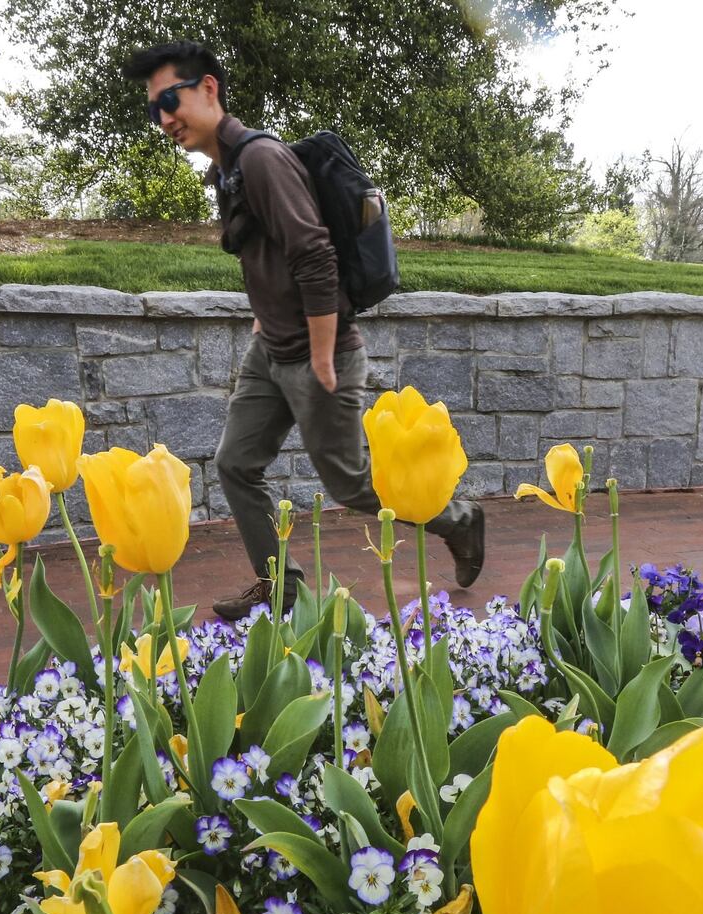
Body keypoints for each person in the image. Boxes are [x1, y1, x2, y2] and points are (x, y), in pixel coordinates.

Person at [122, 41, 486, 621]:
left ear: (209, 89)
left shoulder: (262, 159)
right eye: (154, 109)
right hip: (272, 351)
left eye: (172, 98)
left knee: (351, 486)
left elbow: (316, 256)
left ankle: (458, 519)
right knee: (236, 464)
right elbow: (269, 254)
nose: (165, 117)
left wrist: (321, 355)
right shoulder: (228, 167)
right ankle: (282, 588)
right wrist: (267, 320)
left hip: (321, 354)